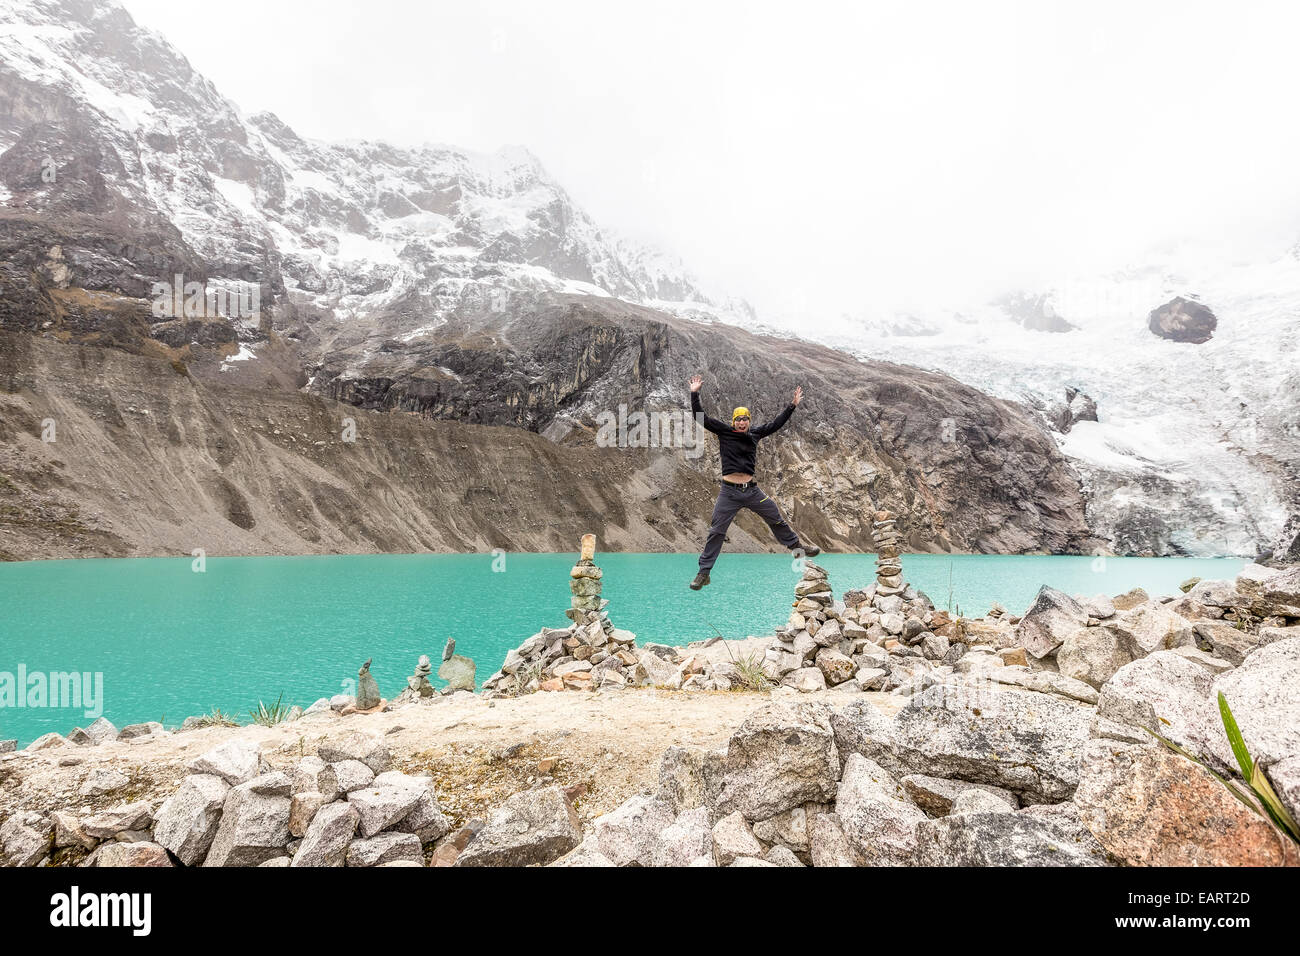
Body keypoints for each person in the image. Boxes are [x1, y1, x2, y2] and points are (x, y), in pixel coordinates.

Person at [687, 374, 820, 589]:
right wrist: (695, 393)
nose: (741, 422)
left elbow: (776, 424)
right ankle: (704, 573)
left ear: (749, 421)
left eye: (745, 419)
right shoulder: (724, 431)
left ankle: (797, 549)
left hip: (751, 492)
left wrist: (792, 406)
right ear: (734, 421)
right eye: (738, 419)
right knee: (717, 531)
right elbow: (699, 417)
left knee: (775, 517)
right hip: (728, 493)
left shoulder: (755, 434)